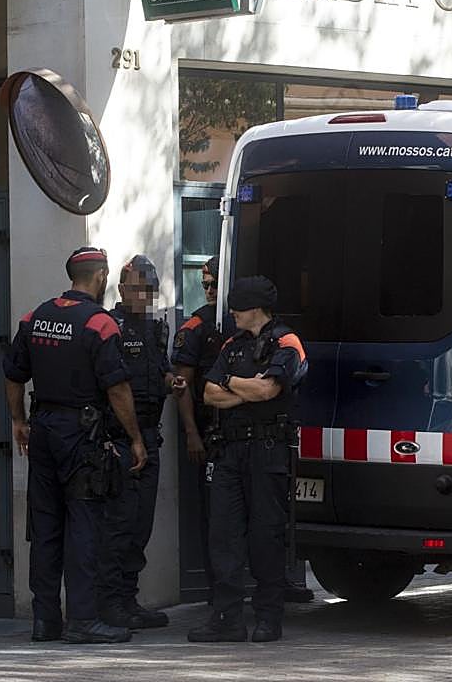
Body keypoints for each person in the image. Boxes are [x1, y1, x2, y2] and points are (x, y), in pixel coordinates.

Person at [3, 247, 148, 645]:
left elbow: (13, 374)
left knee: (45, 528)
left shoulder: (35, 317)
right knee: (84, 526)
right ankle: (83, 620)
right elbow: (117, 388)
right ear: (100, 276)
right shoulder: (100, 324)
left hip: (43, 430)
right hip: (81, 435)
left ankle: (45, 620)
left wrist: (18, 420)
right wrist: (135, 438)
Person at [187, 276, 308, 644]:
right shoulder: (232, 344)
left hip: (268, 450)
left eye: (237, 306)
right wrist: (247, 387)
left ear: (254, 307)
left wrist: (233, 384)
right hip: (230, 451)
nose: (232, 312)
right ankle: (227, 618)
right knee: (223, 535)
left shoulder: (288, 343)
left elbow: (269, 388)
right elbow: (208, 393)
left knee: (265, 535)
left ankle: (269, 617)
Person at [99, 255, 183, 630]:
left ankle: (128, 600)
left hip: (149, 434)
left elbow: (160, 371)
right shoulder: (110, 327)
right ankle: (111, 603)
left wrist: (172, 382)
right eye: (136, 289)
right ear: (121, 289)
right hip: (119, 439)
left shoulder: (153, 328)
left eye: (149, 291)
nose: (143, 297)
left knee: (141, 526)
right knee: (119, 524)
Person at [170, 255, 230, 598]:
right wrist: (192, 433)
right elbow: (182, 385)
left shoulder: (245, 324)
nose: (208, 290)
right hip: (209, 432)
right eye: (203, 284)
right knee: (213, 516)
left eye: (213, 284)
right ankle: (215, 590)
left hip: (244, 433)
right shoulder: (195, 326)